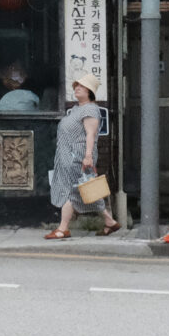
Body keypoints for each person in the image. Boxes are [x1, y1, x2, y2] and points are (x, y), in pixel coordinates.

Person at [45, 79, 119, 238]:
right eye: (76, 86)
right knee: (82, 189)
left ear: (90, 92)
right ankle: (110, 222)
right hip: (67, 156)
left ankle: (63, 228)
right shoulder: (78, 109)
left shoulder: (90, 110)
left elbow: (91, 135)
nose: (77, 88)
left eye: (82, 87)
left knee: (70, 190)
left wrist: (88, 156)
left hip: (77, 157)